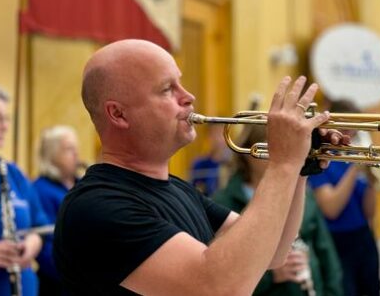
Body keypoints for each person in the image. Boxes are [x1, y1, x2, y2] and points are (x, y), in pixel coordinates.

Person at [53, 39, 347, 295]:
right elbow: (220, 288)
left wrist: (299, 168)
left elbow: (274, 251)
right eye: (168, 89)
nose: (188, 96)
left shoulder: (179, 188)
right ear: (118, 114)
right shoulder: (96, 207)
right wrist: (283, 163)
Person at [213, 124, 343, 296]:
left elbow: (327, 256)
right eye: (273, 145)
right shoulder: (223, 201)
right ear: (250, 152)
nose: (282, 152)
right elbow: (219, 277)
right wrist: (271, 275)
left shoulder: (305, 195)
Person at [0, 85, 48, 296]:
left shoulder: (12, 173)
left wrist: (30, 246)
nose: (5, 126)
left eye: (6, 118)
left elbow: (39, 226)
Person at [307, 99, 380, 296]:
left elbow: (369, 212)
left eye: (354, 128)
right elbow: (331, 209)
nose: (350, 133)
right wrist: (355, 169)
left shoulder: (352, 154)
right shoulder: (321, 159)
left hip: (363, 237)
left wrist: (373, 182)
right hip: (335, 241)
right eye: (345, 127)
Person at [33, 125, 80, 295]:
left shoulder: (83, 184)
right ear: (52, 155)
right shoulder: (40, 190)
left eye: (76, 148)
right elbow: (44, 245)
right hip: (58, 283)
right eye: (69, 149)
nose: (76, 154)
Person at [190, 124, 231, 196]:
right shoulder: (200, 164)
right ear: (208, 137)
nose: (217, 139)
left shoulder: (232, 162)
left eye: (221, 134)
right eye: (214, 134)